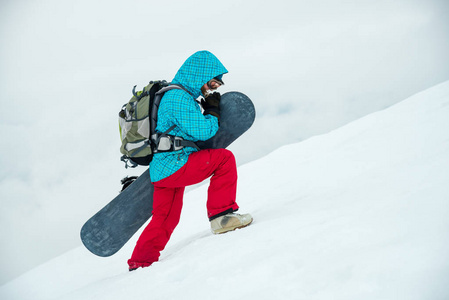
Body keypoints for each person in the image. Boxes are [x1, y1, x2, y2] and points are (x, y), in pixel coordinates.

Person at [127, 51, 253, 271]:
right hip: (176, 164)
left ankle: (140, 263)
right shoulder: (179, 98)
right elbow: (203, 132)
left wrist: (204, 109)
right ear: (199, 76)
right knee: (224, 160)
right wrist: (212, 111)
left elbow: (188, 132)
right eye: (212, 83)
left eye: (216, 86)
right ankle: (222, 216)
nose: (212, 89)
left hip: (164, 170)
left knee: (166, 218)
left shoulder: (179, 96)